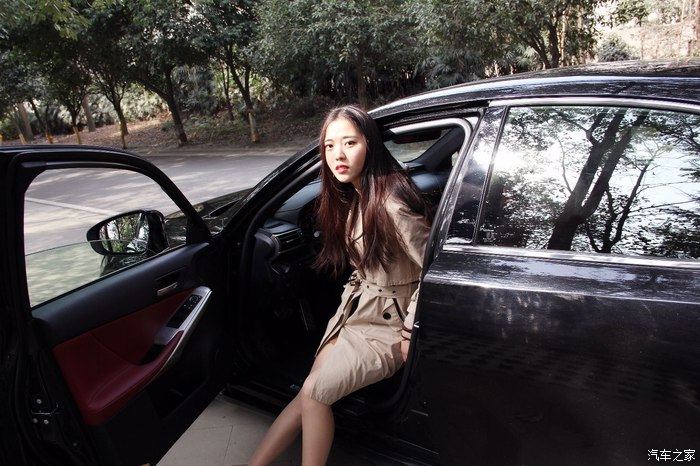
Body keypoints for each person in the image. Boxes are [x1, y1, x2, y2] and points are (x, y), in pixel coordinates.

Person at [248, 105, 431, 466]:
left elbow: (434, 269)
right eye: (330, 146)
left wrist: (411, 328)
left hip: (388, 326)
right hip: (356, 313)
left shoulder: (392, 203)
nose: (338, 155)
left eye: (350, 143)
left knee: (315, 394)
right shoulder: (359, 195)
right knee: (308, 391)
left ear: (370, 145)